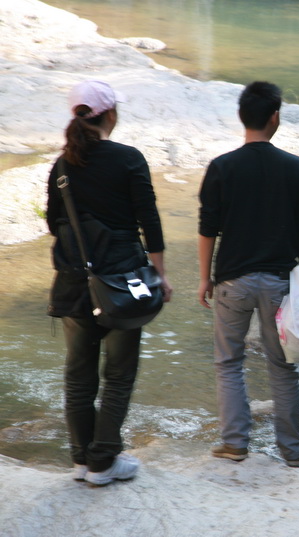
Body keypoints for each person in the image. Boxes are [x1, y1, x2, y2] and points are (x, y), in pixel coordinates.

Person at [46, 80, 173, 486]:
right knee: (118, 374)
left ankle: (82, 460)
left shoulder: (61, 167)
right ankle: (103, 460)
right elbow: (148, 220)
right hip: (124, 282)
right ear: (111, 115)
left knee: (78, 375)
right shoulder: (129, 159)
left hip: (74, 282)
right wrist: (161, 274)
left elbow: (54, 223)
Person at [198, 81, 299, 467]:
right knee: (283, 367)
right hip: (280, 283)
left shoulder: (221, 167)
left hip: (233, 280)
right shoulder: (297, 168)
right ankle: (293, 454)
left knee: (229, 362)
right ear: (275, 117)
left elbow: (207, 229)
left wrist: (205, 278)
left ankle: (234, 443)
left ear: (241, 117)